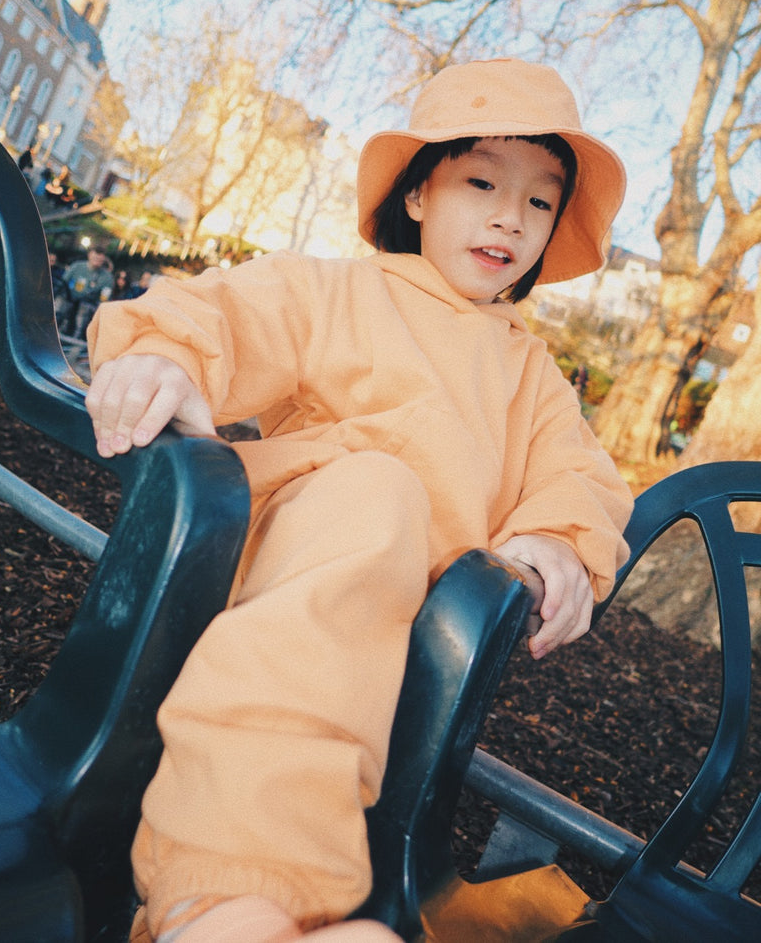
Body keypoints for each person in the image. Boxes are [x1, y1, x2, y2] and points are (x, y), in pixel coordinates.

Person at [84, 58, 634, 943]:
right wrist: (167, 353)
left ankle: (308, 912)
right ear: (417, 193)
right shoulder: (340, 291)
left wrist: (559, 540)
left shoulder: (531, 374)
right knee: (376, 500)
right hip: (295, 578)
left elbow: (578, 475)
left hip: (411, 642)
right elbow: (233, 311)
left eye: (540, 201)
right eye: (482, 181)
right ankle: (219, 894)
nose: (509, 215)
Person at [55, 244, 114, 339]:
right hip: (69, 297)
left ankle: (76, 339)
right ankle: (54, 330)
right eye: (95, 257)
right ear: (89, 255)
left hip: (88, 303)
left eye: (100, 259)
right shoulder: (77, 266)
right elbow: (63, 282)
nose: (97, 261)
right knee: (59, 304)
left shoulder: (107, 277)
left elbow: (105, 297)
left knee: (84, 312)